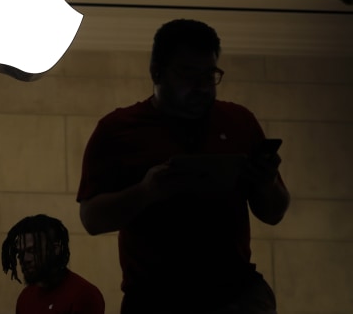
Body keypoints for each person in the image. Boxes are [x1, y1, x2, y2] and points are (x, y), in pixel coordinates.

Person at [77, 18, 290, 314]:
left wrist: (265, 182)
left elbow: (275, 212)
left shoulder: (239, 122)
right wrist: (146, 192)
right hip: (154, 298)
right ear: (157, 72)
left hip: (236, 295)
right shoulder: (117, 131)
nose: (202, 86)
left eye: (209, 74)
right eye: (188, 74)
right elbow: (91, 219)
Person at [2, 214, 105, 314]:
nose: (25, 259)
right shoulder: (25, 298)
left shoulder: (83, 294)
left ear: (55, 249)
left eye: (32, 250)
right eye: (20, 253)